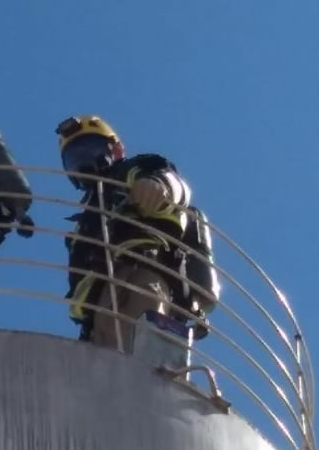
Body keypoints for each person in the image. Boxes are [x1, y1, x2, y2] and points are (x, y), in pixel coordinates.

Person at [57, 115, 209, 352]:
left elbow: (174, 184)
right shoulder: (86, 218)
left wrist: (158, 187)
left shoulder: (131, 172)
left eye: (90, 149)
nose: (84, 162)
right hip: (99, 303)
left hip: (143, 273)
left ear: (116, 150)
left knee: (141, 350)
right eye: (75, 158)